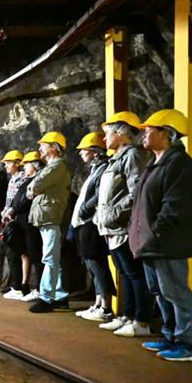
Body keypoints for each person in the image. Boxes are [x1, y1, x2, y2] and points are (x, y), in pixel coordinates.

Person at [130, 110, 192, 362]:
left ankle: (188, 344)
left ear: (167, 134)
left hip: (168, 242)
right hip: (152, 243)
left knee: (175, 291)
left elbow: (173, 208)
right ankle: (171, 335)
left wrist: (153, 235)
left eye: (150, 130)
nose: (144, 134)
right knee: (160, 292)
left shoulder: (179, 164)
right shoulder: (156, 164)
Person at [95, 111, 154, 337]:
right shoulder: (117, 158)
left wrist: (115, 214)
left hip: (123, 226)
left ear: (121, 133)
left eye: (108, 133)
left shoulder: (132, 156)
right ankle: (127, 316)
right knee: (125, 272)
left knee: (134, 273)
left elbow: (136, 191)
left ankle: (141, 321)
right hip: (112, 226)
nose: (104, 139)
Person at [71, 132, 116, 323]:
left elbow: (100, 194)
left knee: (98, 264)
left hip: (92, 222)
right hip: (85, 222)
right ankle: (98, 303)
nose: (81, 153)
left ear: (95, 151)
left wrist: (84, 208)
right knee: (92, 264)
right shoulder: (96, 169)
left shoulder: (103, 168)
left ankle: (106, 307)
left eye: (84, 149)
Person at [27, 132, 72, 313]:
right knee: (55, 258)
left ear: (54, 147)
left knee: (50, 258)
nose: (40, 148)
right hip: (47, 216)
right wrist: (33, 188)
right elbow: (33, 186)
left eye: (43, 145)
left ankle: (46, 297)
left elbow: (35, 185)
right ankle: (60, 295)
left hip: (52, 216)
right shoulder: (51, 166)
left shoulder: (58, 166)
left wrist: (33, 189)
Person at [9, 152, 44, 301]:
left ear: (34, 165)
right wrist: (12, 210)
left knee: (37, 256)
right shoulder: (28, 180)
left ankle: (39, 289)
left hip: (31, 223)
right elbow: (18, 200)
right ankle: (26, 286)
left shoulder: (37, 180)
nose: (24, 167)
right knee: (28, 253)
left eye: (27, 164)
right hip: (23, 222)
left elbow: (25, 201)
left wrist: (14, 210)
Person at [0, 150, 28, 300]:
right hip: (9, 220)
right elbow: (8, 201)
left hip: (18, 221)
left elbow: (19, 201)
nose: (6, 166)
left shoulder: (22, 179)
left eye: (8, 163)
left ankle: (20, 286)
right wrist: (4, 215)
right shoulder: (12, 180)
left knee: (18, 253)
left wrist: (9, 214)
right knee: (13, 253)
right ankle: (17, 284)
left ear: (18, 163)